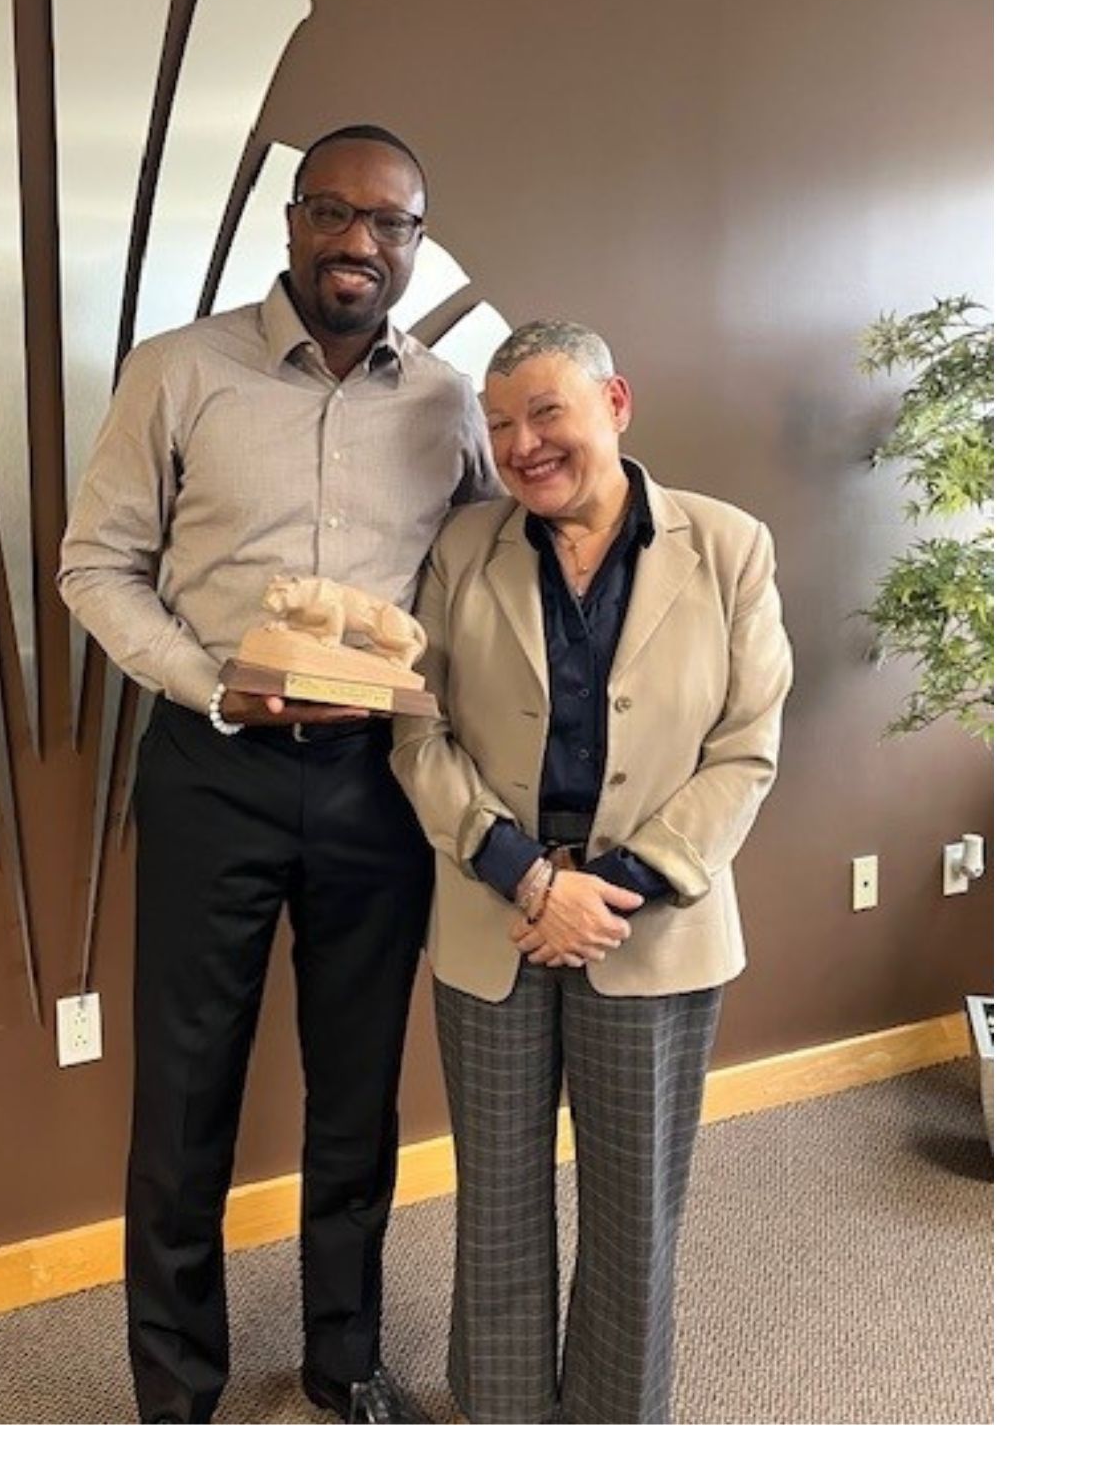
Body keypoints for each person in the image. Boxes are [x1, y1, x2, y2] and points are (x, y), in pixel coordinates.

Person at [58, 125, 500, 1425]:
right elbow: (96, 565)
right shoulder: (177, 373)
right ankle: (176, 1392)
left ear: (417, 244)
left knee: (357, 1090)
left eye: (389, 224)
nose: (358, 243)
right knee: (186, 1091)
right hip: (215, 768)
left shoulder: (450, 402)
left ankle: (342, 1359)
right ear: (291, 220)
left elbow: (487, 568)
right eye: (333, 213)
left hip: (378, 785)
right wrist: (210, 686)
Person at [388, 319, 793, 1424]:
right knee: (499, 1208)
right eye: (502, 423)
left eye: (546, 413)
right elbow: (416, 735)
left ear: (616, 403)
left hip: (647, 932)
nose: (522, 445)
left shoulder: (728, 547)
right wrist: (525, 876)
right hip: (496, 921)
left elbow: (745, 747)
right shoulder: (463, 549)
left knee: (635, 1216)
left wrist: (615, 889)